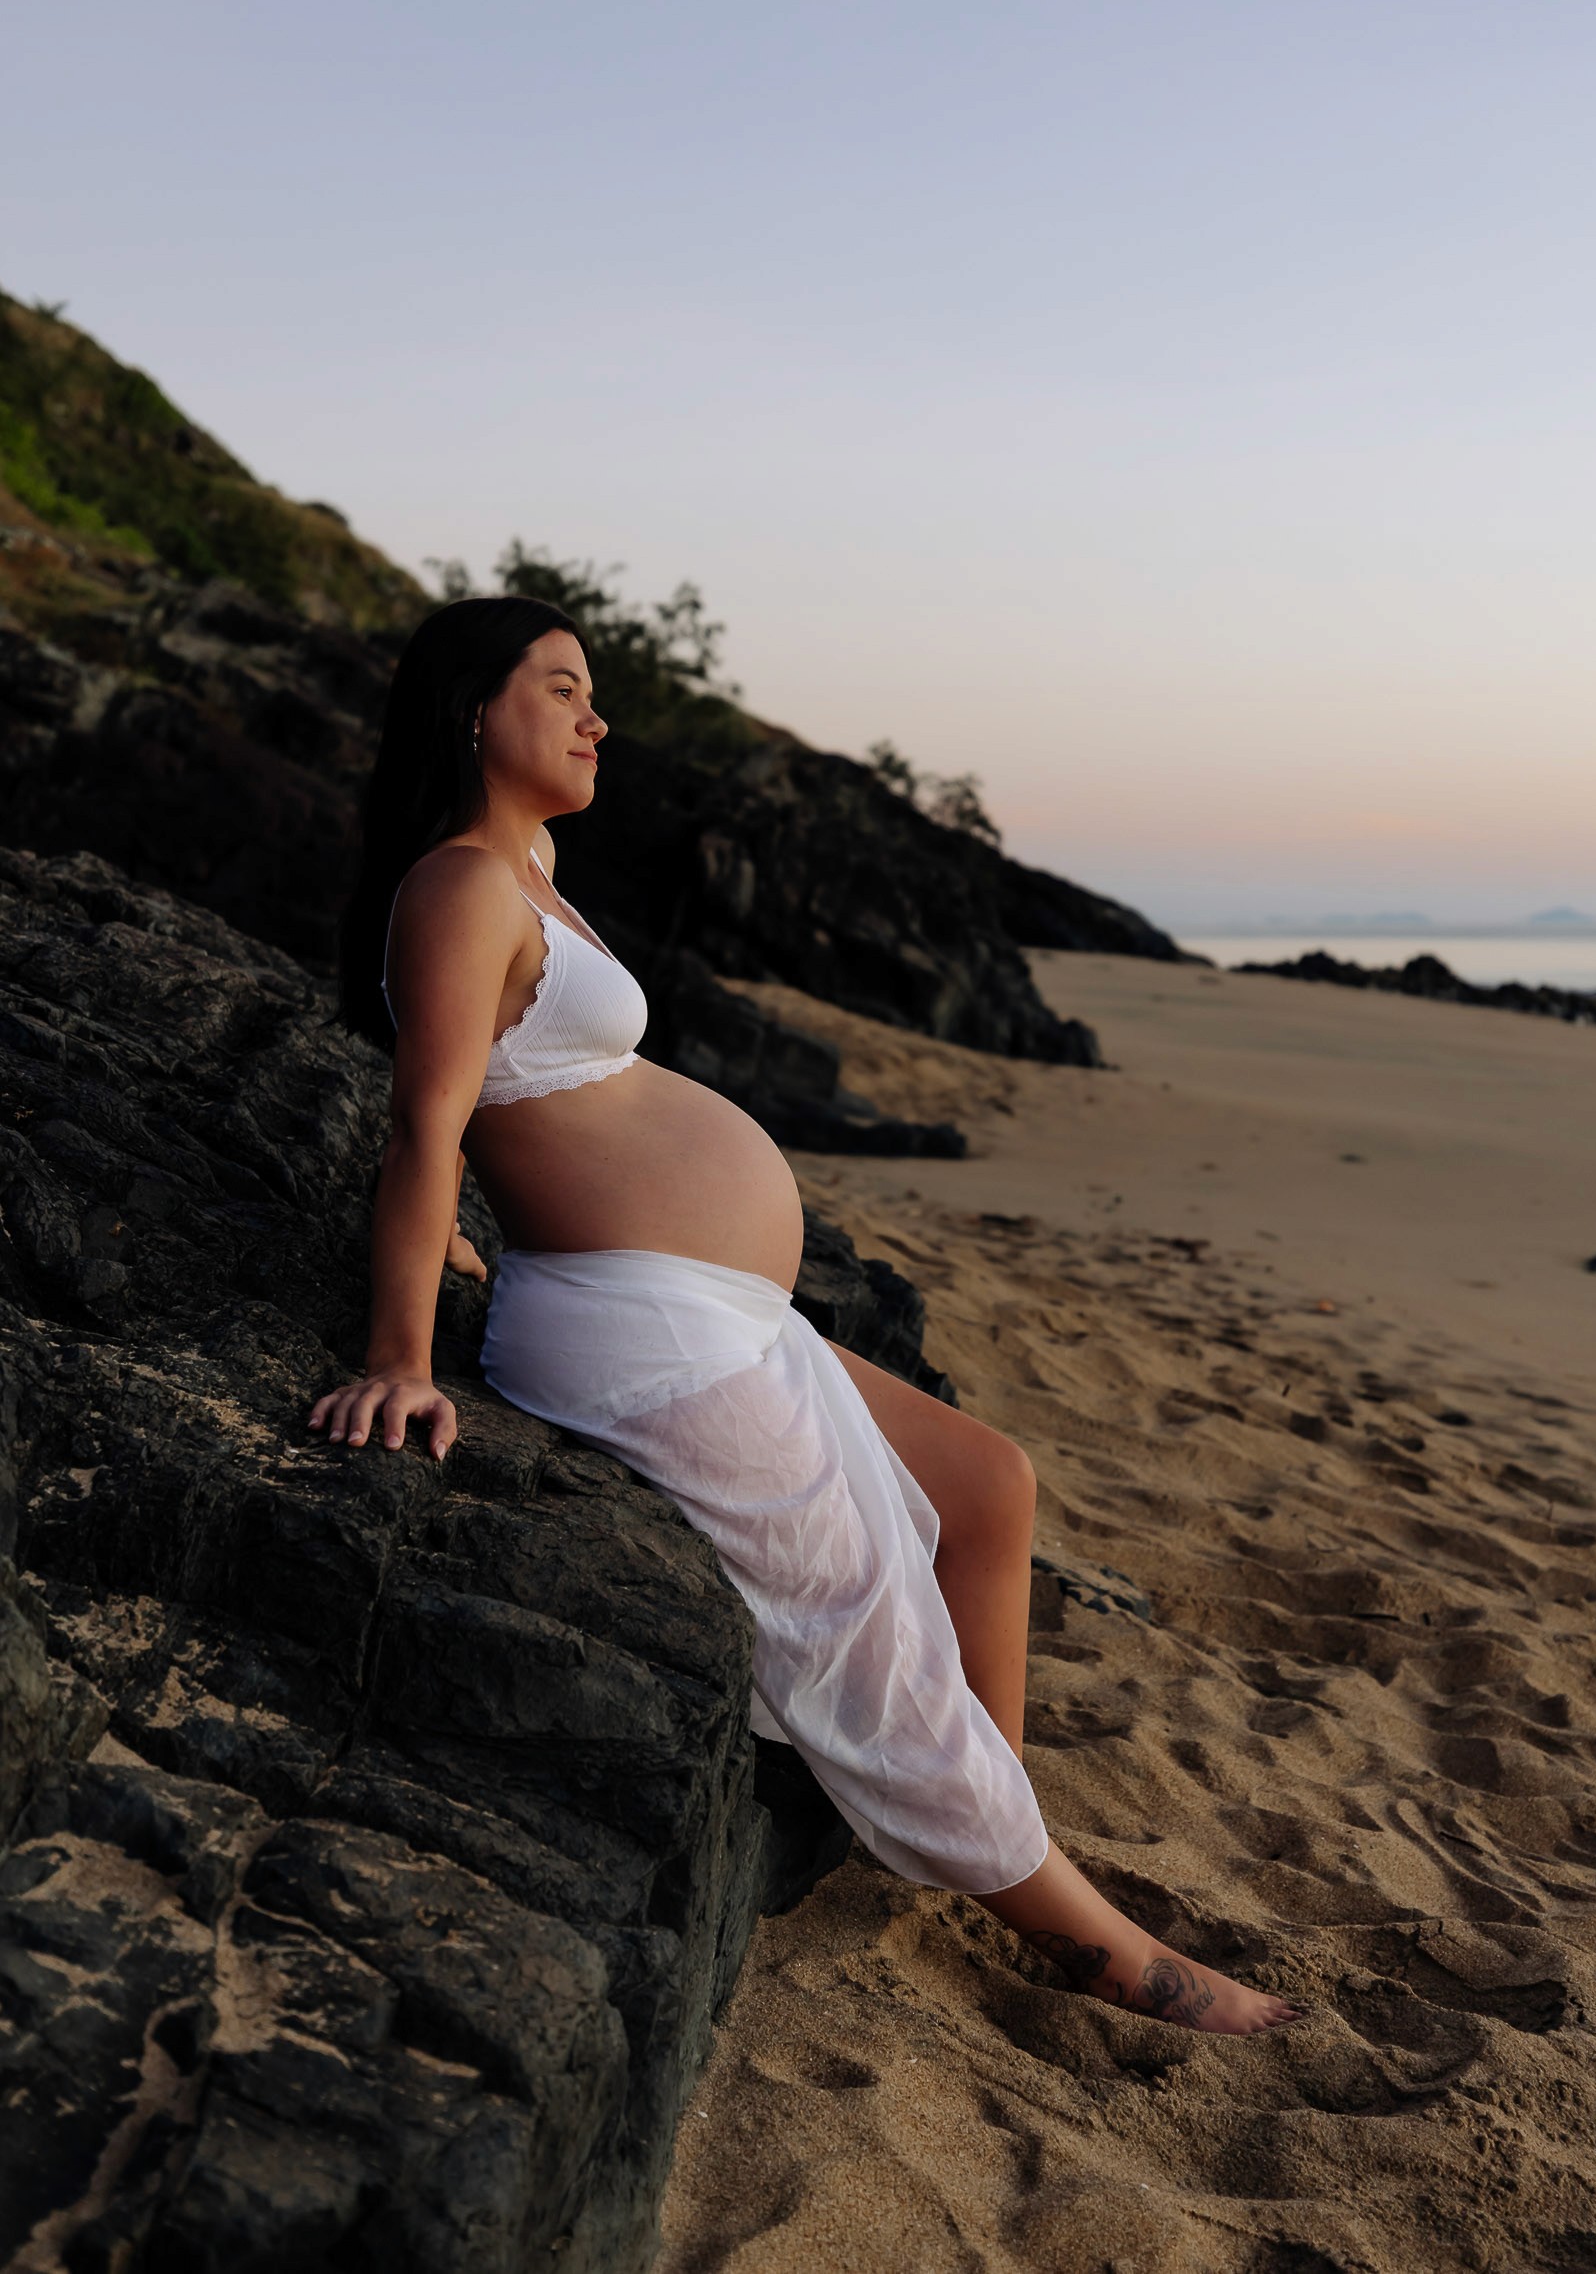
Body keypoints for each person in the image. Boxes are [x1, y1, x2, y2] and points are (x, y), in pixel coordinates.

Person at [311, 596, 1301, 2035]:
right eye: (567, 689)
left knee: (985, 1487)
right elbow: (426, 1117)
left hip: (718, 1304)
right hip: (639, 1325)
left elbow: (515, 1097)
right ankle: (1108, 1953)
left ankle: (986, 1815)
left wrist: (471, 1238)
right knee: (862, 1632)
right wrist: (402, 1354)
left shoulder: (530, 867)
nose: (600, 720)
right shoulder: (460, 886)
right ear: (474, 710)